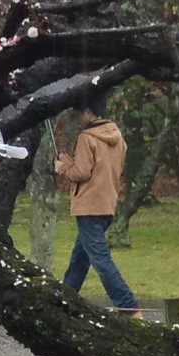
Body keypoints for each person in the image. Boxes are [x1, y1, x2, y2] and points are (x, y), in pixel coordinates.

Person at [53, 105, 139, 313]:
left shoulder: (86, 137)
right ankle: (66, 297)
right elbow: (101, 168)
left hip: (88, 206)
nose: (78, 117)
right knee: (80, 259)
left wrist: (62, 168)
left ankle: (128, 307)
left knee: (100, 259)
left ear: (89, 111)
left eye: (80, 113)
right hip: (107, 204)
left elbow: (82, 172)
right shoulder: (118, 137)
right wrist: (69, 162)